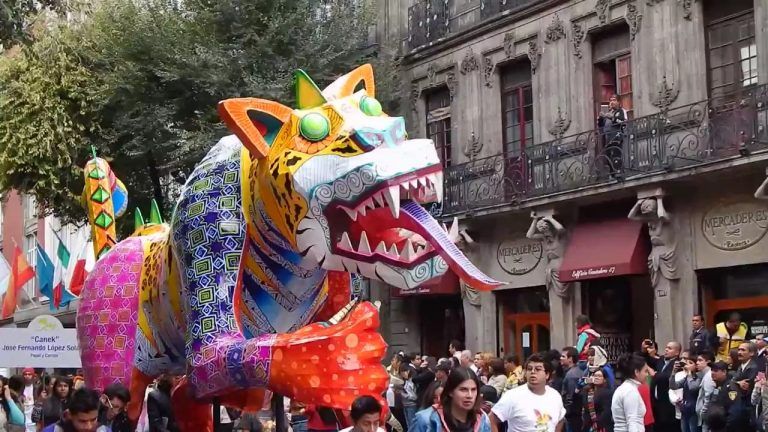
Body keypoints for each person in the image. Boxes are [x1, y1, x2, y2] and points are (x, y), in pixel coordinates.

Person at [490, 353, 565, 432]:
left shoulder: (554, 396)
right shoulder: (513, 396)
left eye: (538, 369)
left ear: (547, 374)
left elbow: (561, 419)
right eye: (529, 369)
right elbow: (491, 419)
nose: (533, 372)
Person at [411, 367, 491, 432]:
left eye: (473, 390)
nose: (469, 395)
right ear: (450, 392)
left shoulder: (482, 419)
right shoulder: (426, 419)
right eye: (463, 389)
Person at [42, 388, 110, 432]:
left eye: (93, 420)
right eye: (82, 421)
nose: (89, 427)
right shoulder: (52, 430)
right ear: (69, 414)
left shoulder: (104, 430)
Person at [611, 353, 648, 432]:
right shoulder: (630, 391)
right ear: (636, 372)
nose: (647, 375)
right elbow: (632, 422)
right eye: (645, 371)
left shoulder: (624, 388)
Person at [651, 341, 681, 432]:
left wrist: (655, 374)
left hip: (668, 405)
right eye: (666, 347)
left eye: (670, 348)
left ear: (677, 352)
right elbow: (643, 359)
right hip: (656, 403)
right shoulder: (661, 360)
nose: (666, 349)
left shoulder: (678, 364)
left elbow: (666, 377)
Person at [596, 94, 627, 178]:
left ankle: (618, 172)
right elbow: (601, 127)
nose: (612, 102)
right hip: (607, 139)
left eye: (614, 100)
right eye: (611, 100)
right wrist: (600, 119)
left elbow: (623, 122)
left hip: (616, 136)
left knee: (616, 154)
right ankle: (612, 174)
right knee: (608, 156)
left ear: (619, 102)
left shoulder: (621, 111)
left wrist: (612, 118)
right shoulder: (608, 113)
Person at [670, 354, 702, 432]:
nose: (687, 364)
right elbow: (673, 386)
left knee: (693, 429)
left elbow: (692, 388)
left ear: (696, 366)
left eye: (690, 363)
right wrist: (673, 372)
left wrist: (689, 374)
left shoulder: (699, 377)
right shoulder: (686, 377)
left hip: (694, 410)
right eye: (687, 362)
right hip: (684, 409)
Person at [560, 347, 583, 432]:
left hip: (572, 416)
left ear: (570, 359)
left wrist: (567, 413)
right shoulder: (574, 372)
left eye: (563, 356)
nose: (560, 358)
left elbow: (571, 397)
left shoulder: (572, 376)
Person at [694, 352, 716, 432]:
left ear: (708, 362)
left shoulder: (709, 377)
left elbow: (708, 397)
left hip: (707, 415)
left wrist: (703, 413)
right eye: (697, 360)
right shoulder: (705, 375)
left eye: (700, 360)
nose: (697, 363)